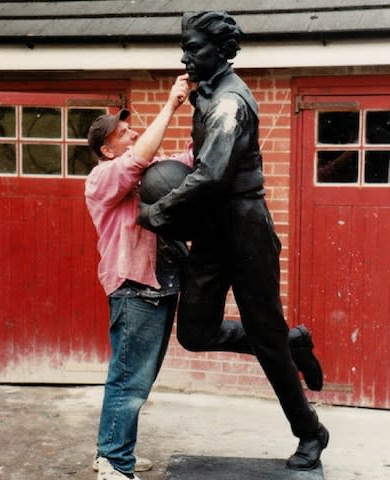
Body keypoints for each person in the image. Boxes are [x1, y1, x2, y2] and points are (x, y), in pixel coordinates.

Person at [138, 11, 328, 471]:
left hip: (246, 228)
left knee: (265, 339)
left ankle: (310, 432)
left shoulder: (229, 103)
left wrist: (158, 212)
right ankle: (294, 342)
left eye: (194, 48)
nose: (185, 56)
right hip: (212, 229)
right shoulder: (204, 95)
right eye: (184, 47)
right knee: (195, 331)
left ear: (222, 51)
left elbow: (211, 173)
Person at [85, 74, 191, 480]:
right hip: (134, 289)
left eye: (131, 130)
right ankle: (114, 461)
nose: (132, 136)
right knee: (129, 381)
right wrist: (171, 106)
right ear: (106, 150)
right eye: (124, 134)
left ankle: (111, 451)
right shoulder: (101, 179)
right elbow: (137, 161)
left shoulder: (147, 173)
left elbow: (185, 162)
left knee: (137, 381)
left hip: (160, 285)